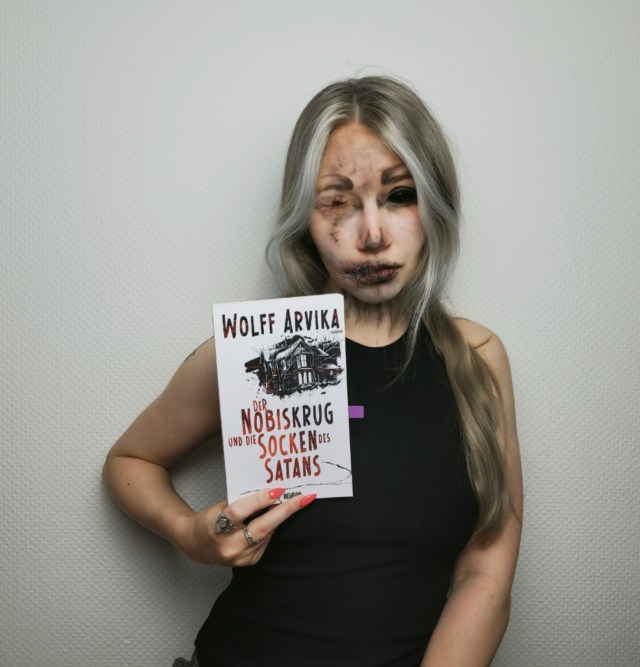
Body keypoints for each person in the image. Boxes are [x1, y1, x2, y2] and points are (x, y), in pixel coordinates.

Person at [103, 75, 523, 667]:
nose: (372, 235)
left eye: (399, 195)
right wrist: (189, 533)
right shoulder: (257, 349)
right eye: (338, 201)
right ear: (304, 214)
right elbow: (129, 460)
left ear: (433, 202)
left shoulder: (477, 359)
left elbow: (487, 571)